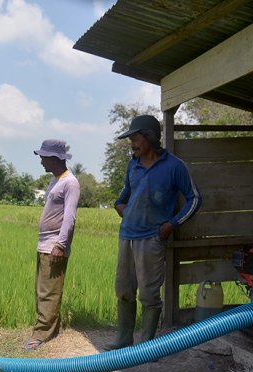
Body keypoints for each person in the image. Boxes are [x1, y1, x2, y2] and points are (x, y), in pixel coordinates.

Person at [104, 115, 202, 351]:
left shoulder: (174, 166)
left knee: (149, 295)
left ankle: (146, 347)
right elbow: (122, 198)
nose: (132, 143)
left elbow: (194, 199)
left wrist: (172, 224)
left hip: (152, 239)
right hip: (127, 236)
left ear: (149, 136)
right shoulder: (132, 165)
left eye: (135, 137)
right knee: (124, 290)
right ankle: (123, 340)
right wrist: (123, 210)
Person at [22, 140, 81, 351]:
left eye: (43, 157)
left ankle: (41, 334)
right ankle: (49, 329)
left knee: (49, 292)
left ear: (54, 158)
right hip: (44, 243)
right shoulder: (55, 181)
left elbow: (69, 217)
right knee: (41, 290)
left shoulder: (70, 183)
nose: (40, 161)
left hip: (54, 245)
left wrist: (60, 245)